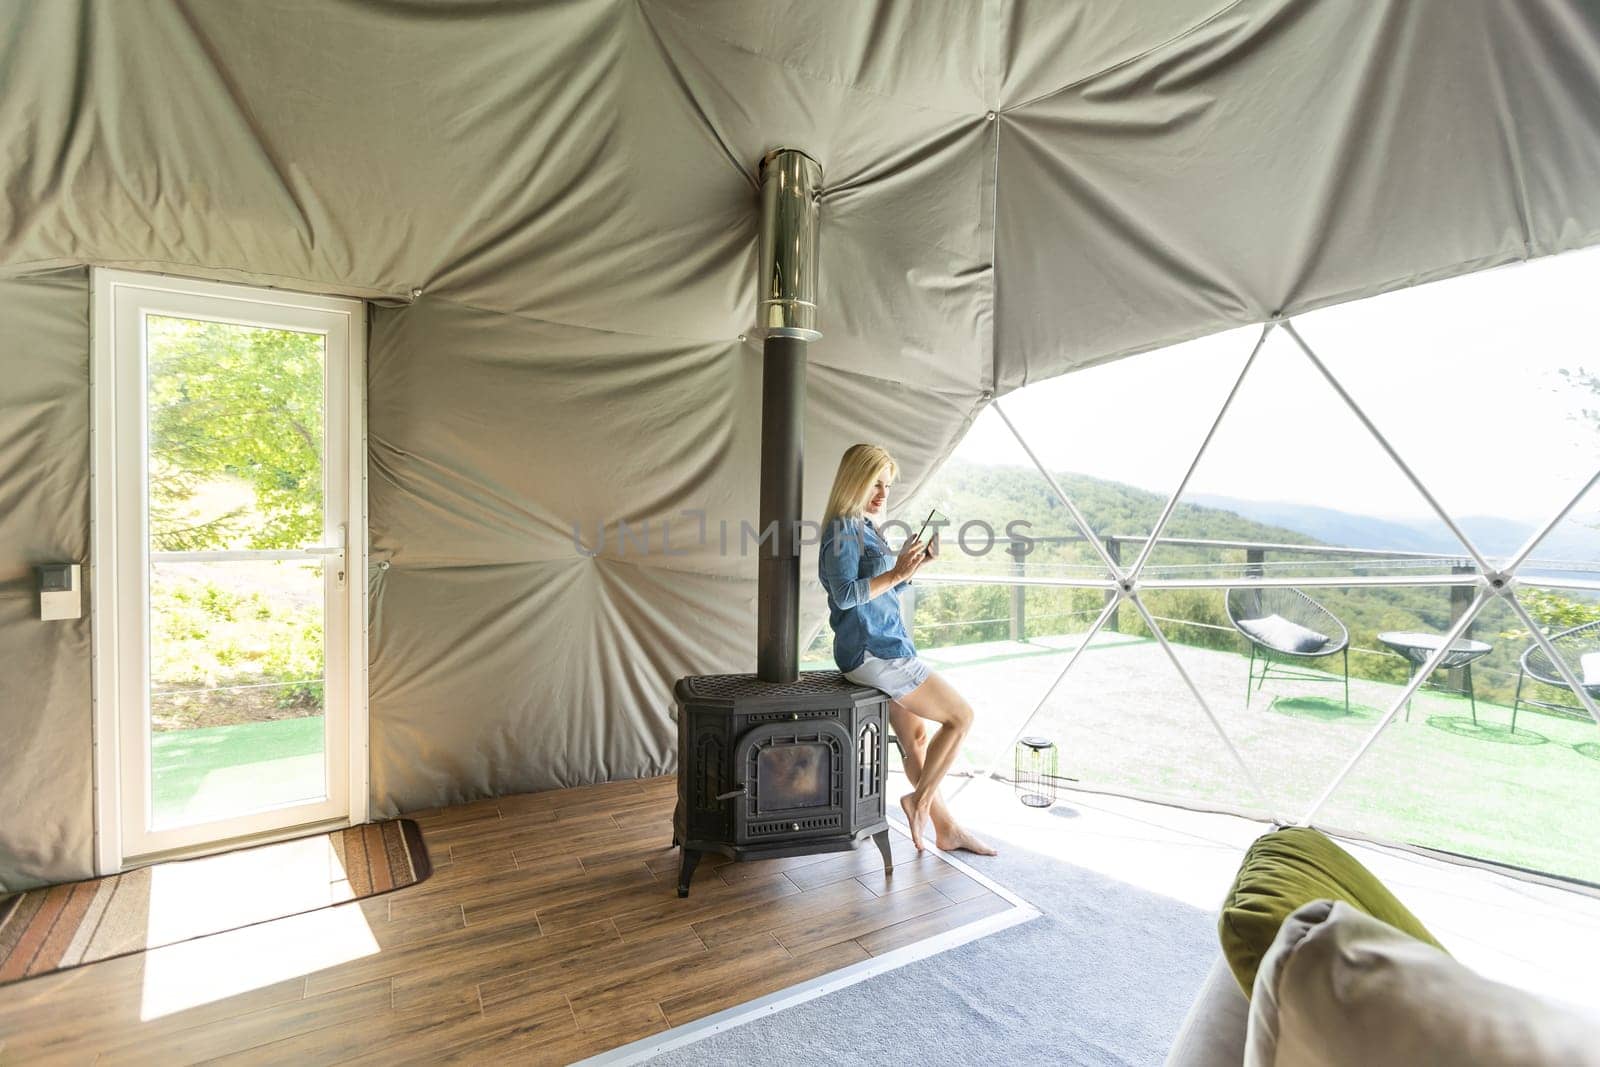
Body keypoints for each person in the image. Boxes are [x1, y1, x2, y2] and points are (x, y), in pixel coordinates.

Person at [817, 443, 996, 856]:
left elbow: (879, 590)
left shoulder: (862, 526)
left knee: (915, 737)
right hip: (876, 653)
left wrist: (912, 568)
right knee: (961, 716)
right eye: (874, 483)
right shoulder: (843, 530)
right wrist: (897, 569)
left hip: (878, 647)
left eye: (887, 486)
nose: (882, 494)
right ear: (853, 482)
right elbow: (845, 596)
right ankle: (919, 802)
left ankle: (946, 829)